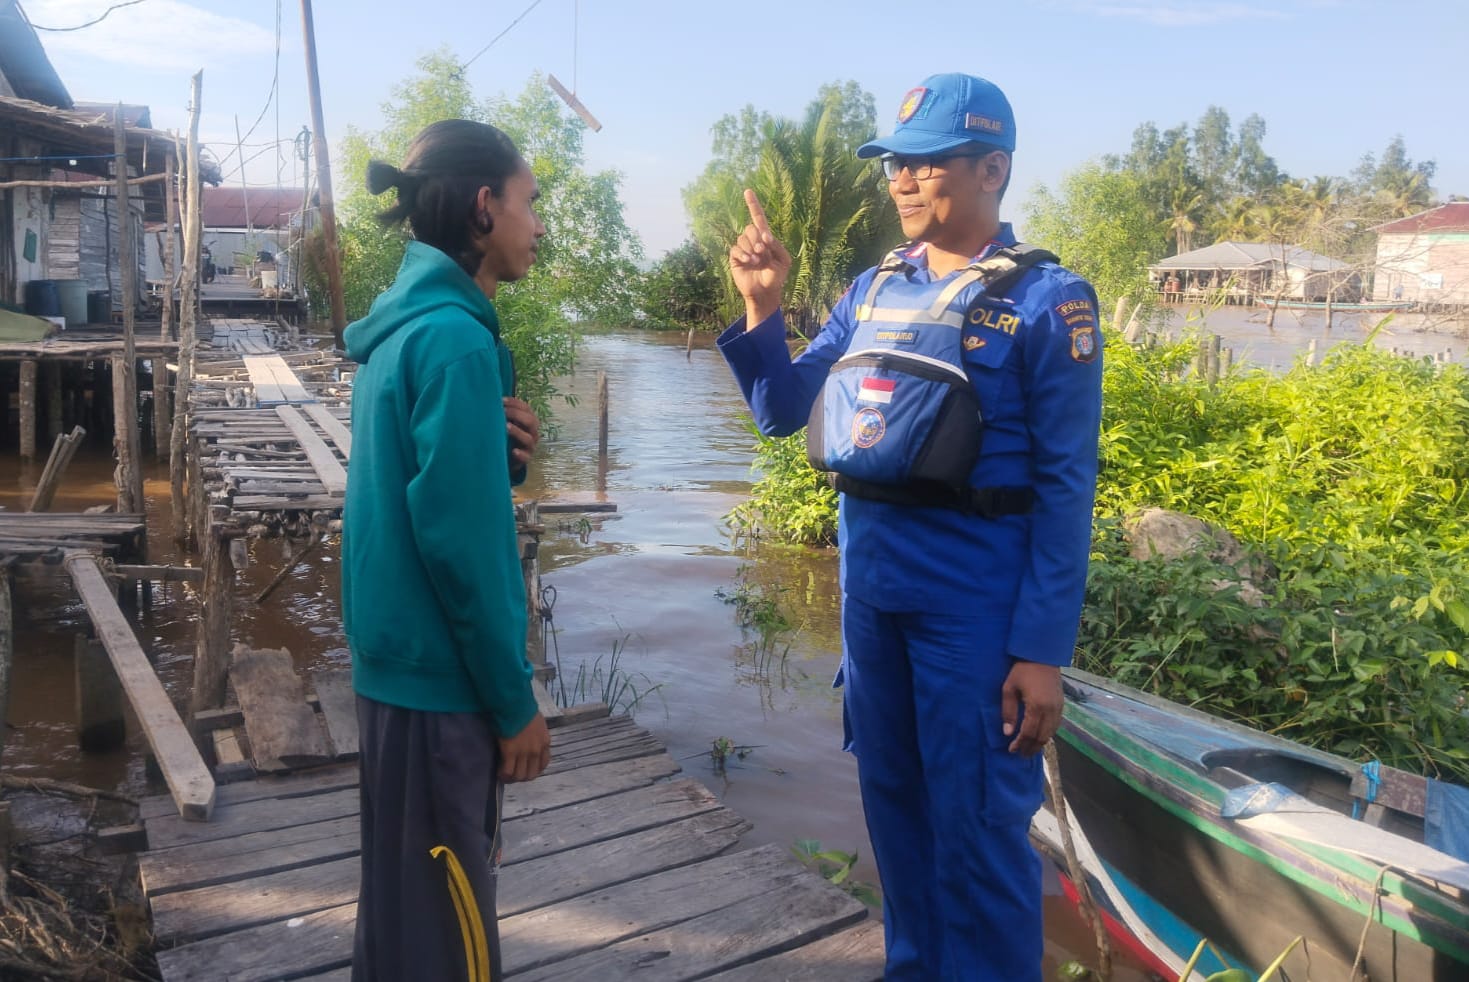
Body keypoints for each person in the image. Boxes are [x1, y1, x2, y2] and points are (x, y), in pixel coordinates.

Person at [719, 73, 1103, 981]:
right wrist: (762, 309)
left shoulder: (1050, 301)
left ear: (991, 168)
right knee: (893, 810)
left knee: (976, 829)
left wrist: (1041, 652)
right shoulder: (871, 289)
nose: (901, 179)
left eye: (926, 163)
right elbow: (783, 409)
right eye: (895, 162)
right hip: (872, 600)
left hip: (972, 609)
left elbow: (1064, 486)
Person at [340, 118, 552, 982]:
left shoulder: (401, 331)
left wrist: (494, 460)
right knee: (451, 932)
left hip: (390, 675)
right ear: (483, 206)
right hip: (440, 687)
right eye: (529, 202)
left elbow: (416, 491)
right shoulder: (457, 341)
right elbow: (461, 547)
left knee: (399, 915)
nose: (538, 224)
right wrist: (514, 701)